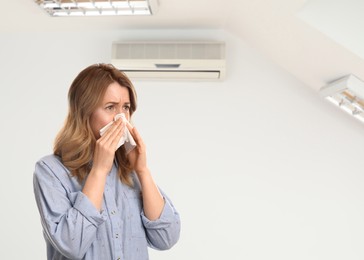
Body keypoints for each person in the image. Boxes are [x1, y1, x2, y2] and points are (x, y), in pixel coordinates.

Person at [33, 63, 181, 260]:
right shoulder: (50, 171)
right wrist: (99, 170)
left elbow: (166, 238)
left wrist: (142, 170)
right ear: (85, 112)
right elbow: (71, 245)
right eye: (110, 107)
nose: (121, 119)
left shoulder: (130, 170)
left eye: (126, 108)